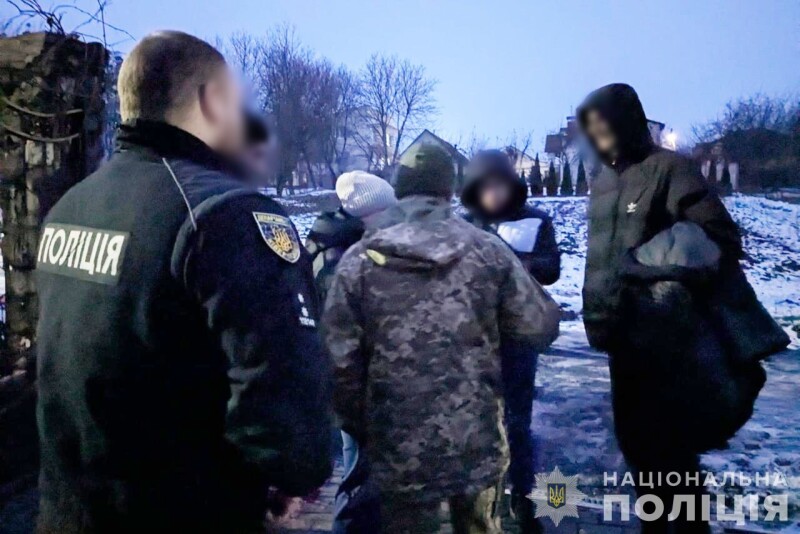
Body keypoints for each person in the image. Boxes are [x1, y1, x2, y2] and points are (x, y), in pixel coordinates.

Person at [35, 31, 332, 533]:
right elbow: (281, 387)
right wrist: (289, 473)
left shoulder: (71, 206)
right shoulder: (224, 214)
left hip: (70, 511)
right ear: (212, 100)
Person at [578, 83, 789, 534]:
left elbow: (716, 237)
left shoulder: (670, 169)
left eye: (604, 125)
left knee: (671, 451)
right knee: (637, 446)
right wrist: (598, 314)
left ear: (627, 121)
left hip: (668, 337)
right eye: (590, 128)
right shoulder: (603, 182)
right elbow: (601, 260)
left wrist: (649, 267)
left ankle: (691, 530)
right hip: (621, 337)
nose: (597, 136)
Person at [322, 144, 561, 534]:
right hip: (475, 441)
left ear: (400, 188)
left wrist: (365, 427)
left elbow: (338, 364)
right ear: (449, 190)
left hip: (398, 450)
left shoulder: (360, 261)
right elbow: (541, 326)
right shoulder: (490, 252)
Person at [461, 149, 561, 533]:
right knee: (474, 423)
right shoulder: (466, 224)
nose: (494, 194)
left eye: (500, 186)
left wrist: (519, 265)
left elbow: (552, 268)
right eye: (486, 187)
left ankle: (524, 500)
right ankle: (478, 503)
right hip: (474, 337)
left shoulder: (535, 220)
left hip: (518, 336)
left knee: (517, 424)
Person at [304, 170, 397, 534]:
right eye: (386, 211)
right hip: (352, 379)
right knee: (358, 479)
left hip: (349, 374)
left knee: (362, 472)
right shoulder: (339, 254)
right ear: (367, 212)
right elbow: (345, 321)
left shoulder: (334, 240)